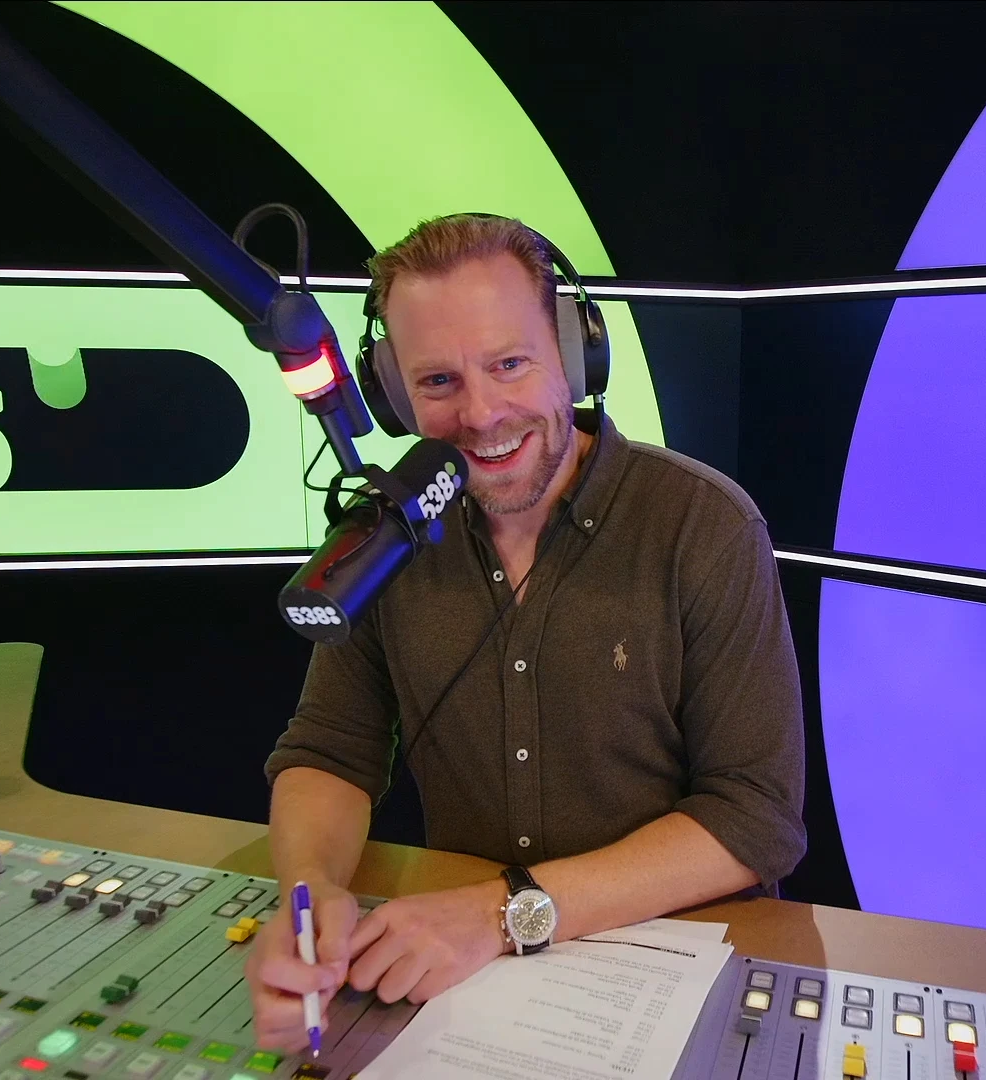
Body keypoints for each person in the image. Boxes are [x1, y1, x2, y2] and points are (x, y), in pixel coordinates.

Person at [244, 213, 806, 1046]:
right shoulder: (386, 536)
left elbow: (755, 817)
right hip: (471, 977)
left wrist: (504, 913)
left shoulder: (703, 526)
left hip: (672, 967)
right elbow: (329, 752)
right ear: (394, 393)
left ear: (574, 356)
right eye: (438, 381)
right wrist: (308, 895)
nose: (481, 414)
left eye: (509, 364)